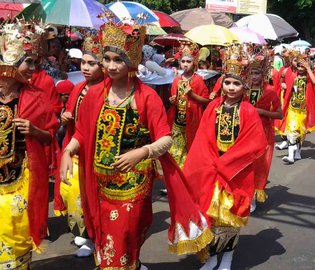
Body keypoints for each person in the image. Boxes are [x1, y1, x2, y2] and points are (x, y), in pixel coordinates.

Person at [59, 22, 212, 270]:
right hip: (100, 181)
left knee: (124, 236)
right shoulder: (96, 95)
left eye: (117, 60)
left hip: (134, 183)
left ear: (131, 61)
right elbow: (83, 132)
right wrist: (68, 149)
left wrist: (143, 152)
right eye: (106, 59)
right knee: (107, 238)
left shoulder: (146, 97)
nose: (110, 66)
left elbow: (165, 138)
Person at [182, 53, 267, 270]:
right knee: (212, 216)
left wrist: (228, 162)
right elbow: (203, 137)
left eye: (236, 83)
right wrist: (208, 161)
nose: (230, 87)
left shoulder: (248, 111)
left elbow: (255, 144)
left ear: (244, 86)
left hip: (237, 172)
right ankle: (212, 258)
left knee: (229, 218)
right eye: (227, 82)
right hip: (213, 168)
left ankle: (227, 258)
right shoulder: (213, 107)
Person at [0, 21, 59, 269]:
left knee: (17, 235)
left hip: (20, 181)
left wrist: (35, 131)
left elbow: (50, 137)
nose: (32, 69)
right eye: (28, 62)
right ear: (12, 63)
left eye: (33, 62)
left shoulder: (36, 97)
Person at [54, 35, 105, 258]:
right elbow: (72, 113)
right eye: (83, 62)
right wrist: (66, 117)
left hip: (96, 153)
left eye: (91, 63)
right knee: (73, 193)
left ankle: (96, 238)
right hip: (76, 149)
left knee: (94, 196)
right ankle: (85, 233)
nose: (85, 67)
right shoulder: (78, 88)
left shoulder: (107, 90)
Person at [247, 53, 282, 211]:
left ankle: (253, 195)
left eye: (257, 73)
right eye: (252, 73)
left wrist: (262, 112)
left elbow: (279, 114)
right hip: (245, 133)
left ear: (264, 74)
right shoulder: (244, 90)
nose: (254, 76)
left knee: (259, 165)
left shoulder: (270, 91)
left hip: (264, 133)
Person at [167, 43, 209, 168]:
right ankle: (179, 178)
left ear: (194, 62)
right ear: (179, 62)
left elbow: (206, 101)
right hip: (177, 123)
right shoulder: (176, 80)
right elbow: (174, 100)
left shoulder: (198, 80)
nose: (185, 64)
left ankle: (188, 176)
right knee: (175, 152)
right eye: (183, 61)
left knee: (191, 151)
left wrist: (192, 95)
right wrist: (172, 101)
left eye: (188, 61)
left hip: (193, 121)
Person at [276, 51, 315, 164]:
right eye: (299, 66)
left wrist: (308, 68)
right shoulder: (292, 76)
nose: (300, 68)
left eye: (302, 66)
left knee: (300, 132)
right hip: (292, 109)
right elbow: (284, 82)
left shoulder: (308, 78)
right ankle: (290, 156)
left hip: (303, 110)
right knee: (291, 131)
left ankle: (298, 153)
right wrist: (283, 85)